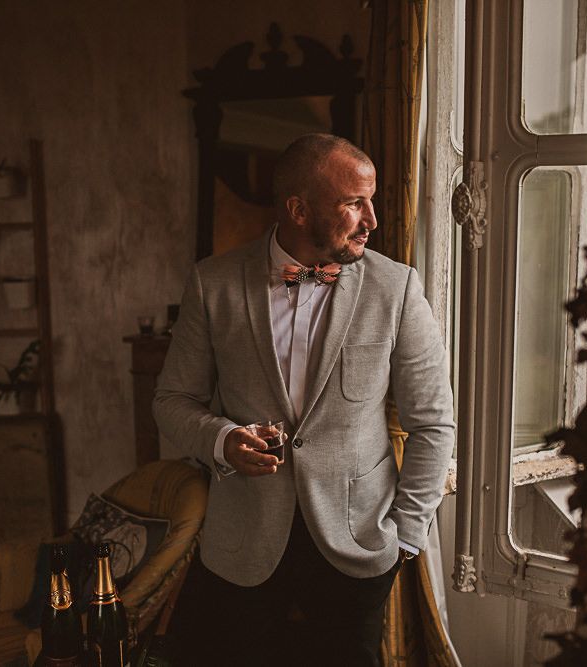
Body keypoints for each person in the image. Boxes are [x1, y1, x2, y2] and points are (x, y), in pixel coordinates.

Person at [153, 133, 454, 666]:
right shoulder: (212, 283)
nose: (372, 220)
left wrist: (406, 537)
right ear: (298, 208)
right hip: (241, 547)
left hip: (356, 545)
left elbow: (433, 424)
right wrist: (222, 441)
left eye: (372, 200)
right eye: (353, 203)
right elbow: (173, 399)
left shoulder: (397, 288)